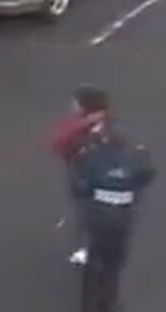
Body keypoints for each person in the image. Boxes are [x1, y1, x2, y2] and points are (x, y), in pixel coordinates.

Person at [66, 91, 156, 312]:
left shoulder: (92, 157)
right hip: (121, 220)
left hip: (98, 217)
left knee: (95, 258)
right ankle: (107, 307)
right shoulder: (134, 159)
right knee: (114, 264)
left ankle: (87, 303)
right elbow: (147, 175)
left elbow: (79, 185)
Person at [51, 86, 110, 266]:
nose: (72, 106)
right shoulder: (107, 124)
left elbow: (59, 143)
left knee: (86, 214)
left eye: (76, 103)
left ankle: (90, 249)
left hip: (85, 177)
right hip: (98, 176)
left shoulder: (79, 128)